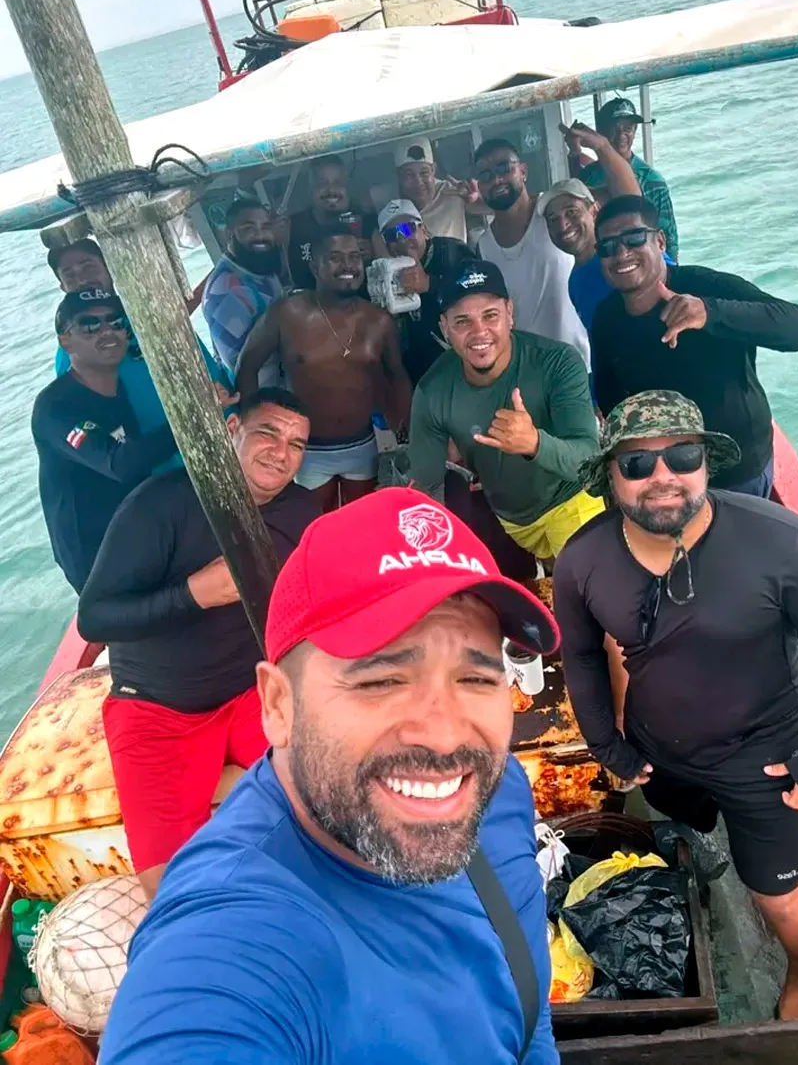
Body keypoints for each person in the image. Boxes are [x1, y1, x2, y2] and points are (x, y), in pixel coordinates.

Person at [100, 487, 561, 1063]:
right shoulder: (236, 944)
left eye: (477, 680)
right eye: (381, 681)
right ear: (277, 705)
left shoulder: (499, 792)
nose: (445, 737)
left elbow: (527, 1014)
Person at [553, 389, 798, 1021]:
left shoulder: (785, 545)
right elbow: (582, 656)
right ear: (611, 476)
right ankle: (707, 848)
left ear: (707, 464)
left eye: (682, 456)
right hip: (657, 749)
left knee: (779, 897)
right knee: (678, 821)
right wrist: (605, 744)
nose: (662, 476)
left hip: (767, 759)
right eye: (637, 463)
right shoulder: (582, 560)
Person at [78, 388, 318, 899]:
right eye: (268, 432)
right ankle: (225, 778)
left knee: (328, 807)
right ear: (232, 429)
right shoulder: (159, 504)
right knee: (173, 889)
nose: (281, 452)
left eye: (297, 444)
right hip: (161, 706)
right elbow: (94, 617)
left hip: (254, 688)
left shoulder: (301, 510)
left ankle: (223, 777)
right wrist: (193, 594)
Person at [591, 196, 798, 496]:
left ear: (660, 241)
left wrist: (710, 312)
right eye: (607, 246)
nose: (621, 253)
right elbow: (610, 391)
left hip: (735, 473)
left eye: (634, 238)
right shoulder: (606, 316)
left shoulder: (708, 288)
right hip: (664, 473)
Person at [408, 259, 603, 561]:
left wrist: (534, 443)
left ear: (510, 313)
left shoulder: (558, 362)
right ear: (445, 328)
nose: (479, 332)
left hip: (572, 500)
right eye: (462, 321)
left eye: (490, 316)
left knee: (585, 595)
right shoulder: (432, 389)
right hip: (507, 516)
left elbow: (589, 458)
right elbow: (426, 484)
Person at [236, 228, 412, 512]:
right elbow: (248, 366)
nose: (347, 266)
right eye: (335, 258)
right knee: (316, 523)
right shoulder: (287, 313)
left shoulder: (379, 321)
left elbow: (396, 376)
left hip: (362, 444)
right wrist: (251, 425)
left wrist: (406, 433)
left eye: (354, 257)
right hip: (307, 450)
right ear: (314, 266)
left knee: (362, 519)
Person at [32, 290, 179, 592]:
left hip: (139, 535)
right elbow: (120, 463)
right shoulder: (55, 407)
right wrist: (194, 417)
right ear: (65, 340)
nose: (107, 331)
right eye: (90, 325)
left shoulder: (119, 391)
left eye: (116, 322)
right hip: (96, 558)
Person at [49, 239, 229, 463]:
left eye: (89, 267)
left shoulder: (145, 308)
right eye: (70, 275)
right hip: (176, 459)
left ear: (109, 268)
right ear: (63, 287)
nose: (83, 280)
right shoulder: (75, 350)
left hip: (231, 421)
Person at [474, 139, 590, 371]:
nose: (496, 179)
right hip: (528, 373)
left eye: (504, 168)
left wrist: (603, 149)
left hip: (579, 363)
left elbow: (626, 202)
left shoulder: (554, 214)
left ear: (523, 170)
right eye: (485, 175)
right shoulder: (483, 246)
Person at [538, 123, 642, 341]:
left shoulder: (623, 253)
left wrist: (602, 146)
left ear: (594, 210)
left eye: (572, 212)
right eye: (553, 219)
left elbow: (631, 203)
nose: (563, 225)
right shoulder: (574, 282)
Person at [377, 198, 470, 385]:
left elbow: (479, 292)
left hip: (464, 365)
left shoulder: (452, 252)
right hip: (423, 376)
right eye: (391, 235)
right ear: (386, 245)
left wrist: (430, 284)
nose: (402, 239)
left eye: (407, 228)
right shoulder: (387, 271)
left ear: (424, 230)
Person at [582, 98, 679, 260]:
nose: (621, 135)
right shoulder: (588, 176)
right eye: (614, 128)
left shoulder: (653, 181)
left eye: (628, 129)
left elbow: (669, 238)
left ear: (635, 131)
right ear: (601, 132)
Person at [201, 198, 283, 384]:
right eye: (249, 228)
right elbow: (240, 367)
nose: (260, 235)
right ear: (230, 234)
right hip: (267, 396)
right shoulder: (226, 291)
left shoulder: (257, 263)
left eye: (266, 227)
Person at [287, 154, 377, 289]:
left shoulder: (369, 224)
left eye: (338, 183)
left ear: (348, 187)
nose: (331, 190)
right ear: (310, 189)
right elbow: (283, 280)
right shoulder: (293, 226)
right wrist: (282, 245)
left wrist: (374, 255)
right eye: (322, 184)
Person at [393, 136, 488, 245]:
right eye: (409, 175)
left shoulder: (452, 192)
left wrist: (477, 198)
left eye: (424, 173)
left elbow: (499, 208)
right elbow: (397, 238)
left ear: (433, 170)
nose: (418, 182)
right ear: (398, 176)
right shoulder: (394, 205)